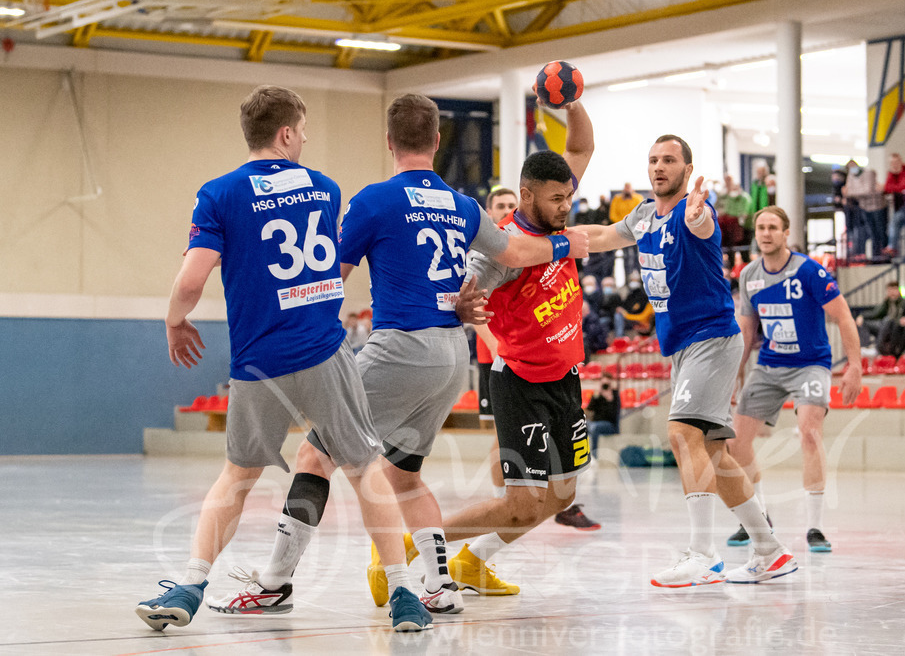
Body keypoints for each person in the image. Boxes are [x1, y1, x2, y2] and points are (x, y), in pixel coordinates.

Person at [204, 94, 589, 618]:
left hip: (399, 348)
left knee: (315, 456)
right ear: (436, 141)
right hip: (453, 355)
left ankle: (274, 581)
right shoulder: (462, 204)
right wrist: (570, 245)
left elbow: (329, 280)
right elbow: (516, 252)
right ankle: (438, 585)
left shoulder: (372, 201)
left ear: (388, 142)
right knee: (405, 475)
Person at [134, 85, 433, 633]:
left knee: (235, 479)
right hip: (324, 353)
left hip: (258, 364)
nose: (306, 139)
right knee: (366, 473)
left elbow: (192, 280)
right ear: (287, 133)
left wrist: (175, 321)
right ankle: (405, 597)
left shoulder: (218, 195)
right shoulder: (324, 187)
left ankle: (191, 583)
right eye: (303, 129)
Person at [576, 134, 797, 586]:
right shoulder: (641, 215)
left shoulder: (697, 211)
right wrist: (553, 234)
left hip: (711, 338)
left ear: (686, 167)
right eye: (653, 159)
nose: (659, 167)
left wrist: (696, 216)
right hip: (682, 345)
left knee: (681, 433)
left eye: (669, 160)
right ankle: (770, 551)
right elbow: (600, 236)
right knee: (714, 453)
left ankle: (704, 555)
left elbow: (702, 226)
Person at [440, 102, 600, 589]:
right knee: (520, 503)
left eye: (568, 197)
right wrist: (465, 308)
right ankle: (415, 546)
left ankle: (474, 560)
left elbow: (581, 146)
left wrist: (571, 102)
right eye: (556, 200)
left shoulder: (556, 212)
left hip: (566, 380)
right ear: (527, 196)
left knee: (563, 496)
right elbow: (460, 291)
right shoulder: (501, 246)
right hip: (521, 382)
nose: (565, 206)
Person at [727, 206, 861, 553]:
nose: (766, 233)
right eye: (760, 227)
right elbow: (746, 328)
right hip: (769, 364)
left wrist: (855, 366)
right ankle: (759, 516)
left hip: (810, 364)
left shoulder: (810, 272)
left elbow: (844, 318)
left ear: (786, 233)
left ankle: (815, 527)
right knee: (736, 444)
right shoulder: (749, 275)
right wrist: (735, 373)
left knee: (810, 432)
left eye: (773, 227)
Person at [476, 188, 520, 430]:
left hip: (521, 347)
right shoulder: (478, 250)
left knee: (518, 427)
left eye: (511, 205)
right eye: (501, 206)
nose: (507, 210)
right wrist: (496, 348)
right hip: (494, 350)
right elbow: (472, 309)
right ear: (489, 212)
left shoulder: (525, 246)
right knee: (499, 431)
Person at [843, 161, 886, 258]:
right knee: (872, 233)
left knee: (880, 231)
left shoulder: (868, 173)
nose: (852, 169)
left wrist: (853, 191)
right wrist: (853, 191)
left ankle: (884, 254)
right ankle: (876, 255)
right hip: (864, 207)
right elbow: (848, 192)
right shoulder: (851, 176)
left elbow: (867, 190)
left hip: (877, 206)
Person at [856, 281, 905, 354]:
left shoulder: (903, 302)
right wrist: (862, 316)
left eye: (894, 289)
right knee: (864, 323)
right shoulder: (887, 302)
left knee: (887, 320)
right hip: (884, 326)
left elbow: (899, 318)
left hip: (895, 327)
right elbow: (875, 313)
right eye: (890, 290)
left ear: (898, 290)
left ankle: (878, 348)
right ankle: (865, 347)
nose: (892, 292)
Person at [586, 370, 621, 453]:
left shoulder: (614, 395)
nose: (605, 386)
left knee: (595, 427)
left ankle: (594, 454)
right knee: (582, 425)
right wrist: (596, 395)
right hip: (595, 422)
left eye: (607, 384)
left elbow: (614, 415)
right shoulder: (598, 394)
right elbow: (589, 409)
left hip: (609, 425)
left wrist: (609, 399)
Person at [719, 174, 753, 247]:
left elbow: (744, 213)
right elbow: (726, 210)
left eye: (735, 189)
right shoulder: (729, 197)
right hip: (730, 227)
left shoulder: (745, 198)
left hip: (745, 227)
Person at [615, 272, 654, 337]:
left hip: (639, 320)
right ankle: (619, 338)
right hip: (631, 318)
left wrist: (626, 314)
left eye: (636, 280)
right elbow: (625, 306)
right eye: (632, 280)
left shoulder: (644, 296)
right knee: (617, 315)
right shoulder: (630, 295)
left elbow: (642, 316)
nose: (634, 282)